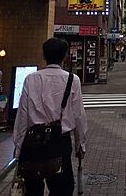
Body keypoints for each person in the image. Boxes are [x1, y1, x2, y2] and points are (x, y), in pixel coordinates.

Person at [14, 38, 88, 196]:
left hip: (33, 142)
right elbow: (79, 115)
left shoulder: (31, 79)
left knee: (33, 189)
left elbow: (22, 115)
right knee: (63, 189)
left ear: (44, 55)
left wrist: (18, 147)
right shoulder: (72, 80)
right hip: (60, 142)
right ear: (65, 56)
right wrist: (80, 145)